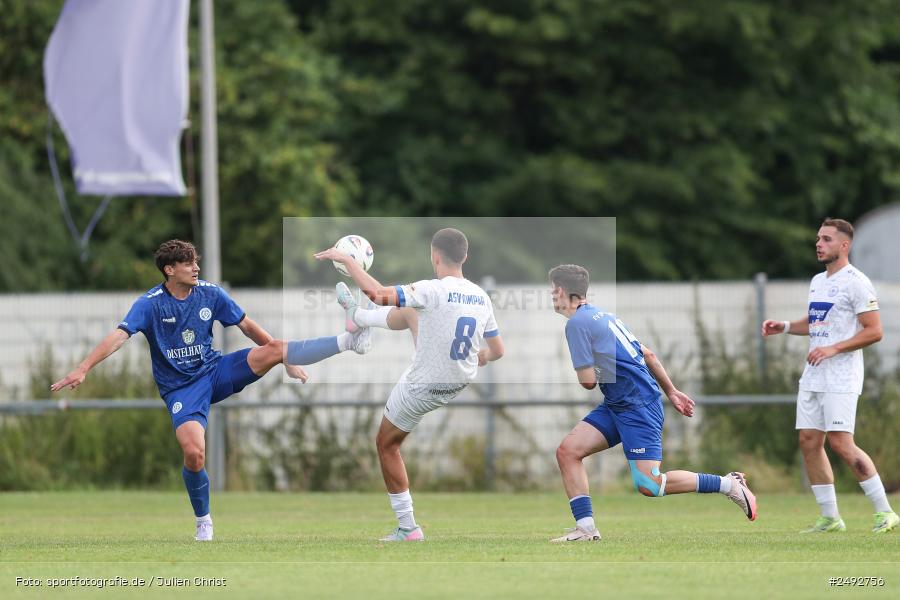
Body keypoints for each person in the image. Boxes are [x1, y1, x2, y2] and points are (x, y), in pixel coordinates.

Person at [50, 239, 371, 541]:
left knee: (276, 348)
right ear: (169, 269)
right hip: (181, 389)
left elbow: (248, 327)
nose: (196, 267)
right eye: (188, 263)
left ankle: (348, 341)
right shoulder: (150, 304)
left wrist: (284, 360)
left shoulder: (211, 294)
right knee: (194, 453)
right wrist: (83, 368)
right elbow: (119, 336)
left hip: (216, 371)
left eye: (196, 261)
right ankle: (203, 520)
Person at [315, 228, 504, 541]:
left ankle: (408, 528)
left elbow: (378, 294)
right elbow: (497, 351)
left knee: (386, 444)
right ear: (465, 258)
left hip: (423, 384)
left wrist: (348, 261)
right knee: (412, 312)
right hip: (459, 379)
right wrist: (479, 357)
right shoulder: (481, 296)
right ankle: (358, 319)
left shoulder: (430, 289)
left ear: (434, 256)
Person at [548, 264, 757, 542]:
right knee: (568, 452)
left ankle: (728, 484)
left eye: (553, 290)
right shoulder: (605, 316)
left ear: (562, 291)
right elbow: (648, 354)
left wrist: (589, 366)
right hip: (619, 403)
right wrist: (671, 391)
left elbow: (587, 382)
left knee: (650, 484)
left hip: (637, 405)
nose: (552, 295)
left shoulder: (577, 324)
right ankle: (586, 529)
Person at [762, 218, 898, 534]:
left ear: (844, 245)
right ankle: (830, 518)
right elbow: (817, 322)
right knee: (809, 441)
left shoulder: (857, 282)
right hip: (814, 374)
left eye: (826, 239)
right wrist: (784, 326)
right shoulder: (818, 281)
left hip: (841, 377)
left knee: (841, 443)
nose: (819, 244)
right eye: (818, 239)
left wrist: (834, 349)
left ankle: (886, 512)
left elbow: (874, 331)